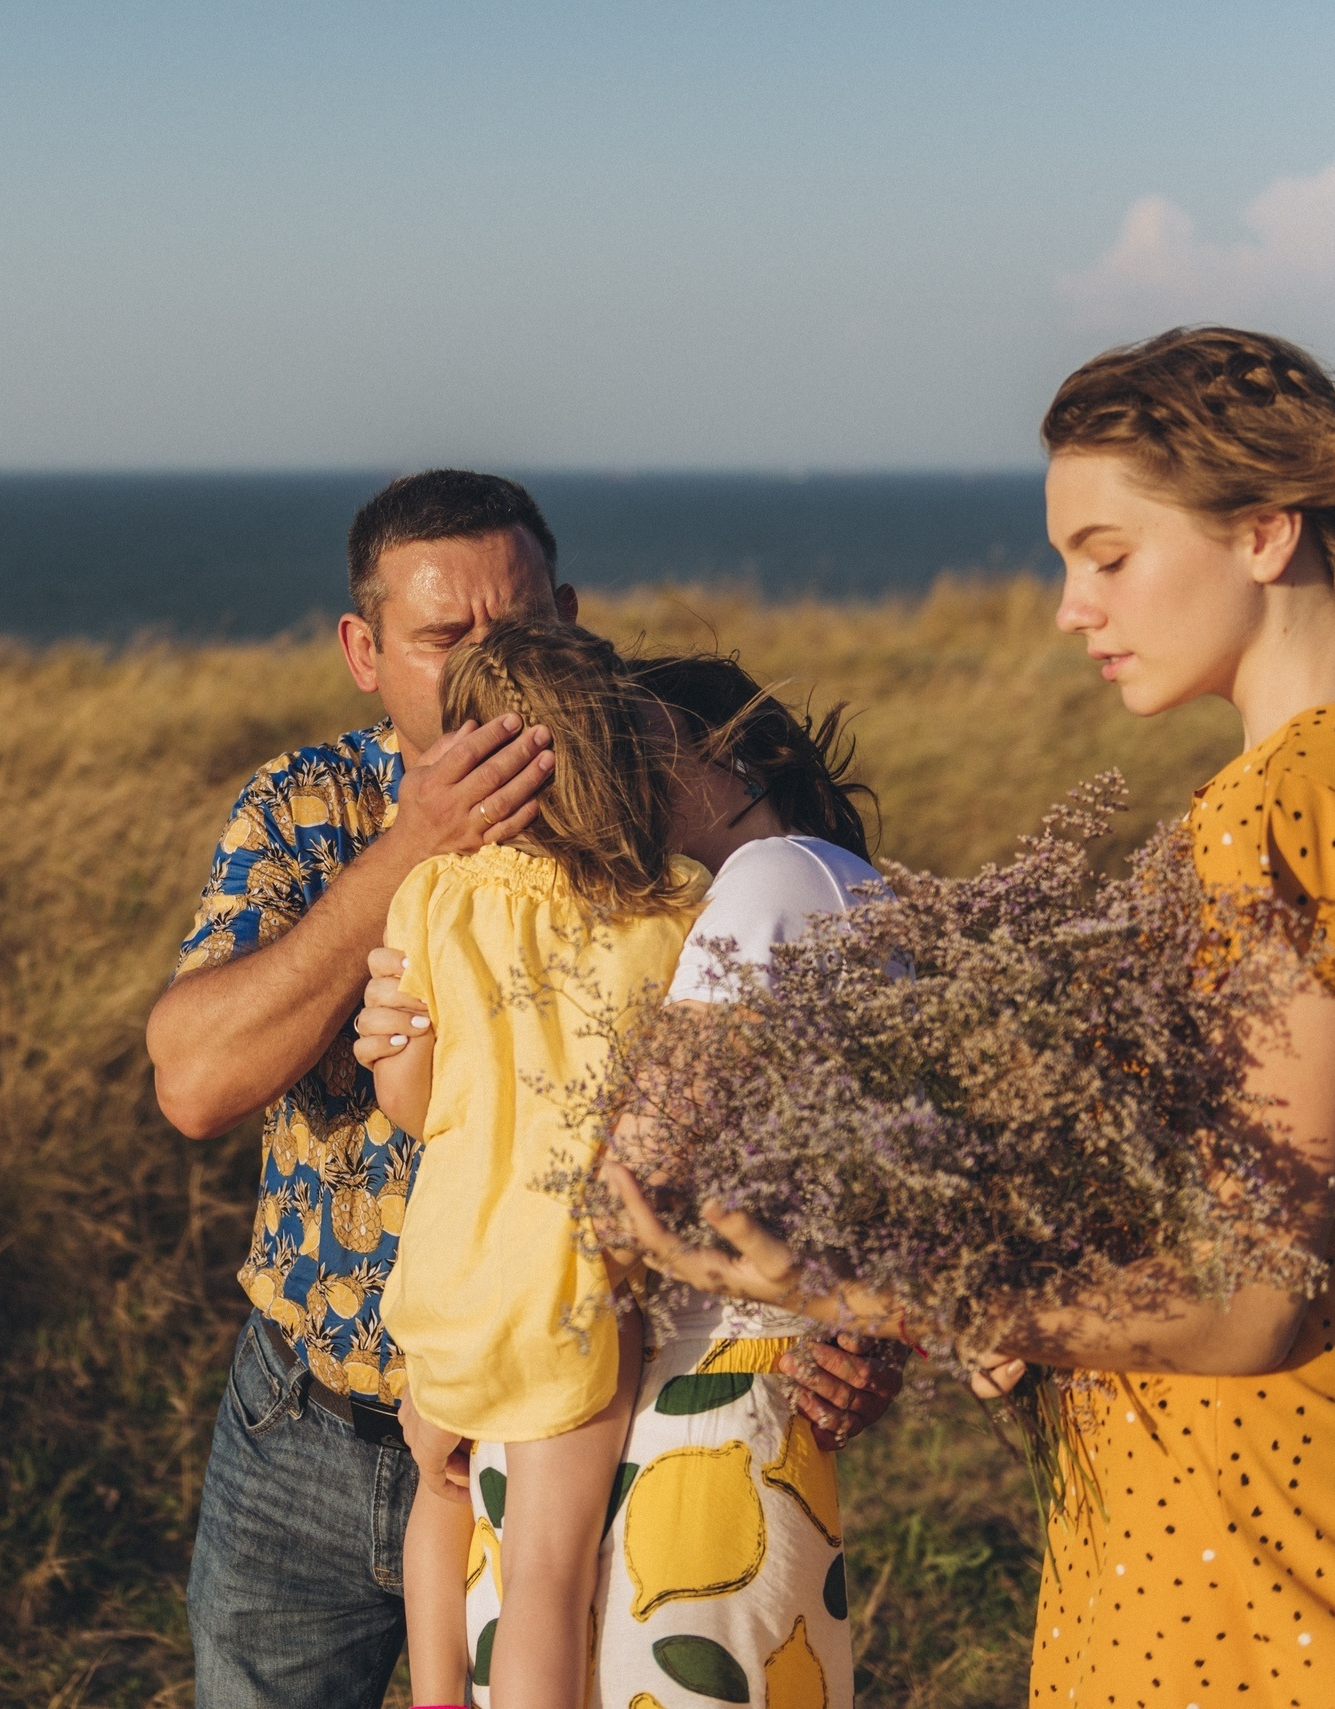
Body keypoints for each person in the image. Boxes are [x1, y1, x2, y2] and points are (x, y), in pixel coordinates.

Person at [607, 327, 1335, 1706]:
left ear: (1264, 531)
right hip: (1268, 1472)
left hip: (1260, 1538)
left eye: (1107, 555)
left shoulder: (1287, 806)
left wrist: (846, 1281)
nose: (1071, 606)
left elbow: (1247, 1300)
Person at [156, 469, 904, 1709]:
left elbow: (809, 1111)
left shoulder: (661, 809)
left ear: (573, 619)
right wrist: (412, 849)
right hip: (320, 1409)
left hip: (591, 1396)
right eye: (444, 640)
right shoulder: (308, 809)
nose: (487, 672)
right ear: (364, 650)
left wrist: (860, 1317)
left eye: (521, 633)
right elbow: (191, 1080)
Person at [359, 650, 891, 1709]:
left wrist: (473, 1335)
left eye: (637, 735)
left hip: (658, 1361)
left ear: (734, 750)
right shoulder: (706, 905)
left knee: (511, 1571)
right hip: (629, 1342)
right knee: (550, 1591)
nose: (614, 765)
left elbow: (636, 1171)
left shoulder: (758, 883)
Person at [368, 620, 710, 1709]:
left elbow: (408, 1099)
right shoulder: (670, 908)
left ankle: (432, 1693)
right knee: (545, 1572)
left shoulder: (431, 893)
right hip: (564, 1283)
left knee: (438, 1492)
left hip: (444, 1268)